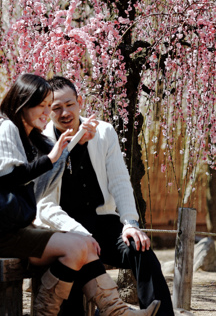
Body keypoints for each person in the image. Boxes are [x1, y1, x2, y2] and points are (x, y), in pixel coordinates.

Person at [0, 74, 160, 316]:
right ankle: (87, 312)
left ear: (79, 102)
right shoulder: (8, 127)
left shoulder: (28, 137)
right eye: (44, 106)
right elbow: (11, 177)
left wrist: (75, 145)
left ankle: (117, 312)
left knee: (84, 246)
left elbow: (41, 187)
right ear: (23, 103)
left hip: (13, 230)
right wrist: (52, 158)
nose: (47, 112)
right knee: (79, 246)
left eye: (48, 106)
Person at [37, 76, 171, 316]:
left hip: (103, 222)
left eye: (69, 104)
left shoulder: (103, 132)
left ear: (79, 102)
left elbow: (120, 180)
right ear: (48, 111)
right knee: (74, 270)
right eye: (56, 108)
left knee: (140, 249)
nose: (64, 112)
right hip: (65, 229)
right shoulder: (43, 142)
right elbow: (43, 203)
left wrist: (130, 223)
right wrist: (81, 236)